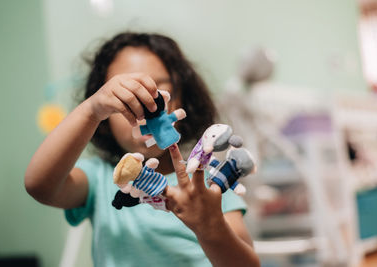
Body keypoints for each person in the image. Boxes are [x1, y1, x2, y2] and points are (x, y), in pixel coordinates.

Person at [25, 32, 260, 267]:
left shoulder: (209, 183)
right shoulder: (102, 178)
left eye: (156, 94)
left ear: (182, 101)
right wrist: (91, 110)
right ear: (104, 121)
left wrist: (210, 227)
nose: (144, 109)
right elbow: (39, 186)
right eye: (125, 100)